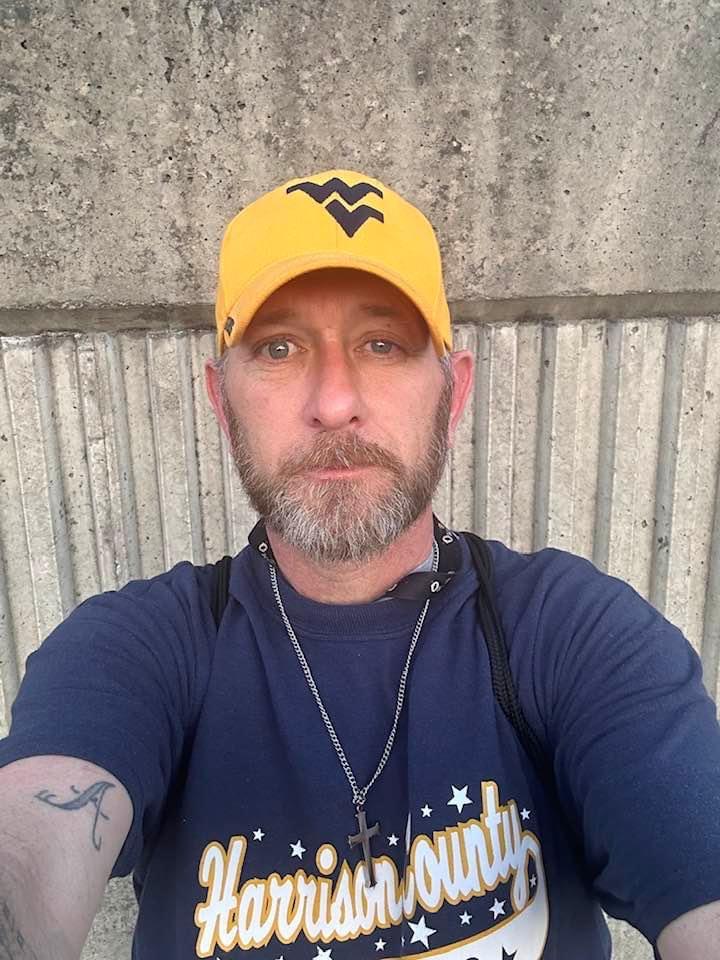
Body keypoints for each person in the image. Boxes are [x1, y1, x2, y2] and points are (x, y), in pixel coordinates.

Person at [0, 169, 718, 960]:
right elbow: (30, 840)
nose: (335, 401)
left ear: (454, 393)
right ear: (221, 402)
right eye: (279, 347)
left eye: (383, 344)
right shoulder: (138, 648)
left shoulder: (573, 633)